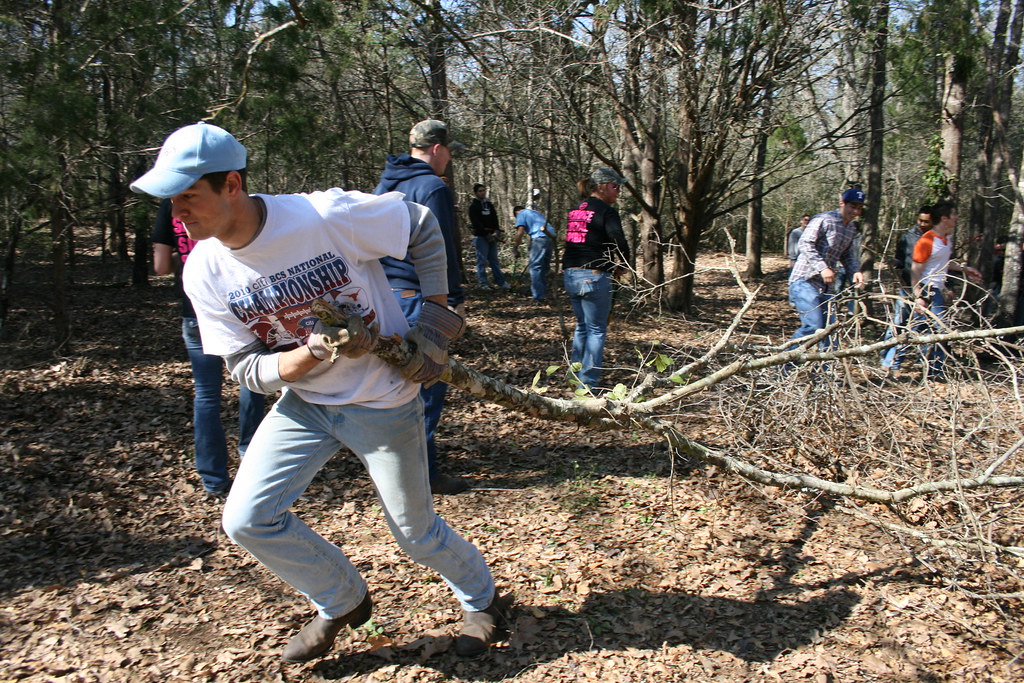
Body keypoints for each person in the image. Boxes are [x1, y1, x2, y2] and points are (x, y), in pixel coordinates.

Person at [130, 122, 509, 662]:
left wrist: (436, 318)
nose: (178, 214)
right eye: (172, 200)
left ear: (231, 184)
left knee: (415, 534)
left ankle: (485, 601)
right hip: (306, 406)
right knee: (246, 519)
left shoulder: (321, 215)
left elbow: (421, 224)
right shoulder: (204, 271)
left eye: (189, 196)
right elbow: (244, 368)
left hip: (383, 398)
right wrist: (314, 352)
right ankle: (343, 600)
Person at [372, 119, 470, 495]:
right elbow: (441, 247)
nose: (449, 159)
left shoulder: (386, 184)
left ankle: (399, 467)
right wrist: (453, 301)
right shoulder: (433, 187)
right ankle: (422, 475)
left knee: (394, 385)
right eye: (448, 152)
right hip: (419, 296)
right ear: (435, 149)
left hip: (386, 294)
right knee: (426, 382)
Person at [152, 199, 266, 499]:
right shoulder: (226, 199)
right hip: (240, 306)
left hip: (195, 313)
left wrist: (183, 257)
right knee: (252, 381)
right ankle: (251, 455)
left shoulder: (170, 208)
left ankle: (214, 479)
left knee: (206, 396)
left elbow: (160, 266)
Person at [881, 202, 981, 379]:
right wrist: (918, 295)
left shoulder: (946, 239)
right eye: (954, 215)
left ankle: (922, 368)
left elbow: (943, 263)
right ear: (944, 218)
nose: (957, 218)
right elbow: (915, 270)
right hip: (926, 291)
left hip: (936, 290)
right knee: (934, 330)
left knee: (920, 329)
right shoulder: (927, 240)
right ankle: (899, 366)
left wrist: (965, 269)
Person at [562, 167, 631, 390]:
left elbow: (580, 243)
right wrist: (624, 264)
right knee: (596, 329)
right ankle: (588, 382)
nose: (618, 191)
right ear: (601, 187)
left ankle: (575, 375)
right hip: (593, 276)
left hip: (571, 274)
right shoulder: (606, 211)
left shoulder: (576, 209)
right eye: (614, 186)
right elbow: (617, 239)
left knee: (582, 326)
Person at [787, 188, 866, 354]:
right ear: (842, 203)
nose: (855, 211)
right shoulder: (824, 219)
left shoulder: (851, 228)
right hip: (804, 281)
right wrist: (823, 267)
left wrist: (855, 271)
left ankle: (825, 376)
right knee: (813, 326)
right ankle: (782, 366)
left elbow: (847, 255)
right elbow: (805, 244)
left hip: (826, 287)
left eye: (859, 208)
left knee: (830, 331)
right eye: (852, 206)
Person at [880, 205, 931, 370]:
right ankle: (887, 357)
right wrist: (893, 263)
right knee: (899, 324)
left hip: (928, 289)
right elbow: (900, 260)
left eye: (927, 221)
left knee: (923, 326)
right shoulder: (907, 237)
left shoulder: (937, 239)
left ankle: (921, 361)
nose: (923, 224)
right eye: (920, 220)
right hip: (907, 287)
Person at [468, 183, 510, 290]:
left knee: (494, 260)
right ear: (475, 193)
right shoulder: (473, 207)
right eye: (480, 191)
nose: (482, 192)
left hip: (493, 235)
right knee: (481, 261)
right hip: (481, 237)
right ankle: (483, 283)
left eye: (483, 190)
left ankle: (500, 282)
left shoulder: (489, 205)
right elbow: (476, 222)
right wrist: (485, 234)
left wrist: (496, 232)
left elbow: (495, 219)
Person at [512, 204, 555, 301]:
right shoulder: (535, 212)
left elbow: (520, 231)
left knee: (535, 267)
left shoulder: (521, 214)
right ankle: (544, 293)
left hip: (540, 237)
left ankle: (538, 296)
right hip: (551, 236)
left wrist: (515, 247)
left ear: (516, 213)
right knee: (544, 267)